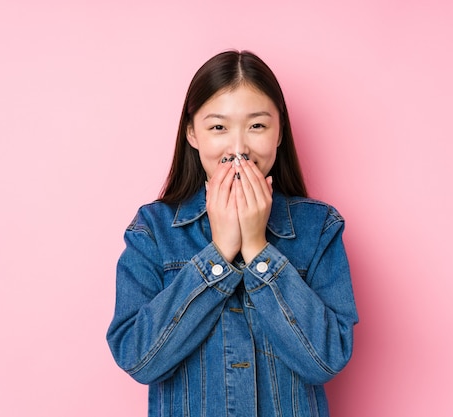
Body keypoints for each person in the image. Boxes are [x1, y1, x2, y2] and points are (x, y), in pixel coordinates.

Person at [107, 50, 358, 417]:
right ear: (192, 132)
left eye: (257, 126)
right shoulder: (153, 232)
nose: (238, 149)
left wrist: (258, 250)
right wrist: (220, 252)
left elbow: (326, 358)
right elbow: (139, 358)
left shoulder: (319, 229)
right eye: (218, 127)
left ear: (279, 131)